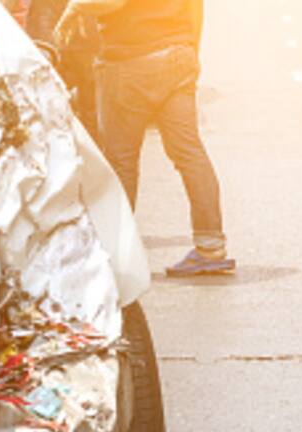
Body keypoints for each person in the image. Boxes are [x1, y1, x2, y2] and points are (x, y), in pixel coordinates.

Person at [55, 0, 234, 277]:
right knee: (189, 154)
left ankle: (116, 252)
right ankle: (211, 247)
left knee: (122, 161)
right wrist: (189, 51)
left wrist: (75, 8)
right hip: (177, 54)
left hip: (128, 64)